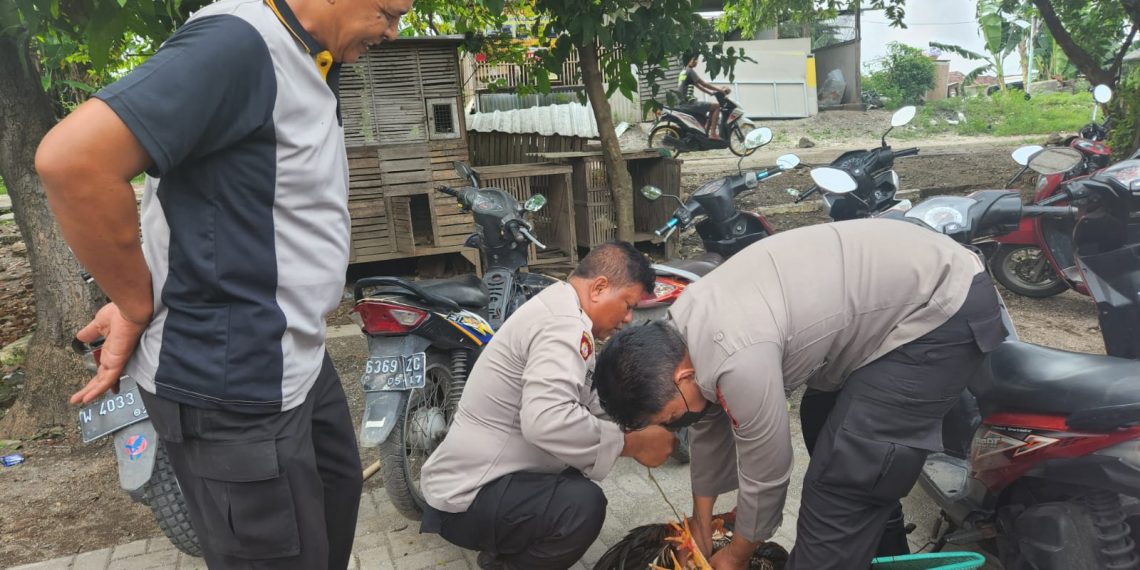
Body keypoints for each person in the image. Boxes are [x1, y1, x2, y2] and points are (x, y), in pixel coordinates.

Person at [34, 0, 412, 566]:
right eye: (388, 12)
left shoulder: (308, 54)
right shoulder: (239, 44)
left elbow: (207, 193)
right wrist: (135, 300)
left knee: (334, 506)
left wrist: (152, 282)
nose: (394, 31)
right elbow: (73, 160)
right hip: (236, 382)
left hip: (296, 358)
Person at [593, 219, 1007, 570]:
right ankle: (882, 547)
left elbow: (767, 470)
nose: (672, 425)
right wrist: (701, 524)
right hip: (891, 300)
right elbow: (710, 425)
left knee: (842, 480)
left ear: (682, 377)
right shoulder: (678, 331)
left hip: (937, 309)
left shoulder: (738, 358)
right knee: (821, 421)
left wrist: (737, 554)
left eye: (666, 416)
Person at [419, 242, 676, 570]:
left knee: (576, 469)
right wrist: (632, 443)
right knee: (581, 507)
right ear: (599, 288)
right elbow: (547, 420)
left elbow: (585, 397)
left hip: (471, 480)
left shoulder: (560, 308)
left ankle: (504, 546)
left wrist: (637, 423)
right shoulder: (563, 326)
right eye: (627, 305)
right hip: (467, 495)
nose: (627, 319)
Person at [677, 54, 730, 140]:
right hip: (689, 103)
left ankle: (705, 132)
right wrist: (720, 90)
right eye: (694, 60)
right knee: (717, 106)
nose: (696, 62)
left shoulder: (683, 72)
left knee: (711, 108)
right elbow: (704, 84)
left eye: (697, 60)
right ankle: (713, 134)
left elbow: (698, 86)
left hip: (683, 102)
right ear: (688, 61)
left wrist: (710, 93)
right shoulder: (690, 71)